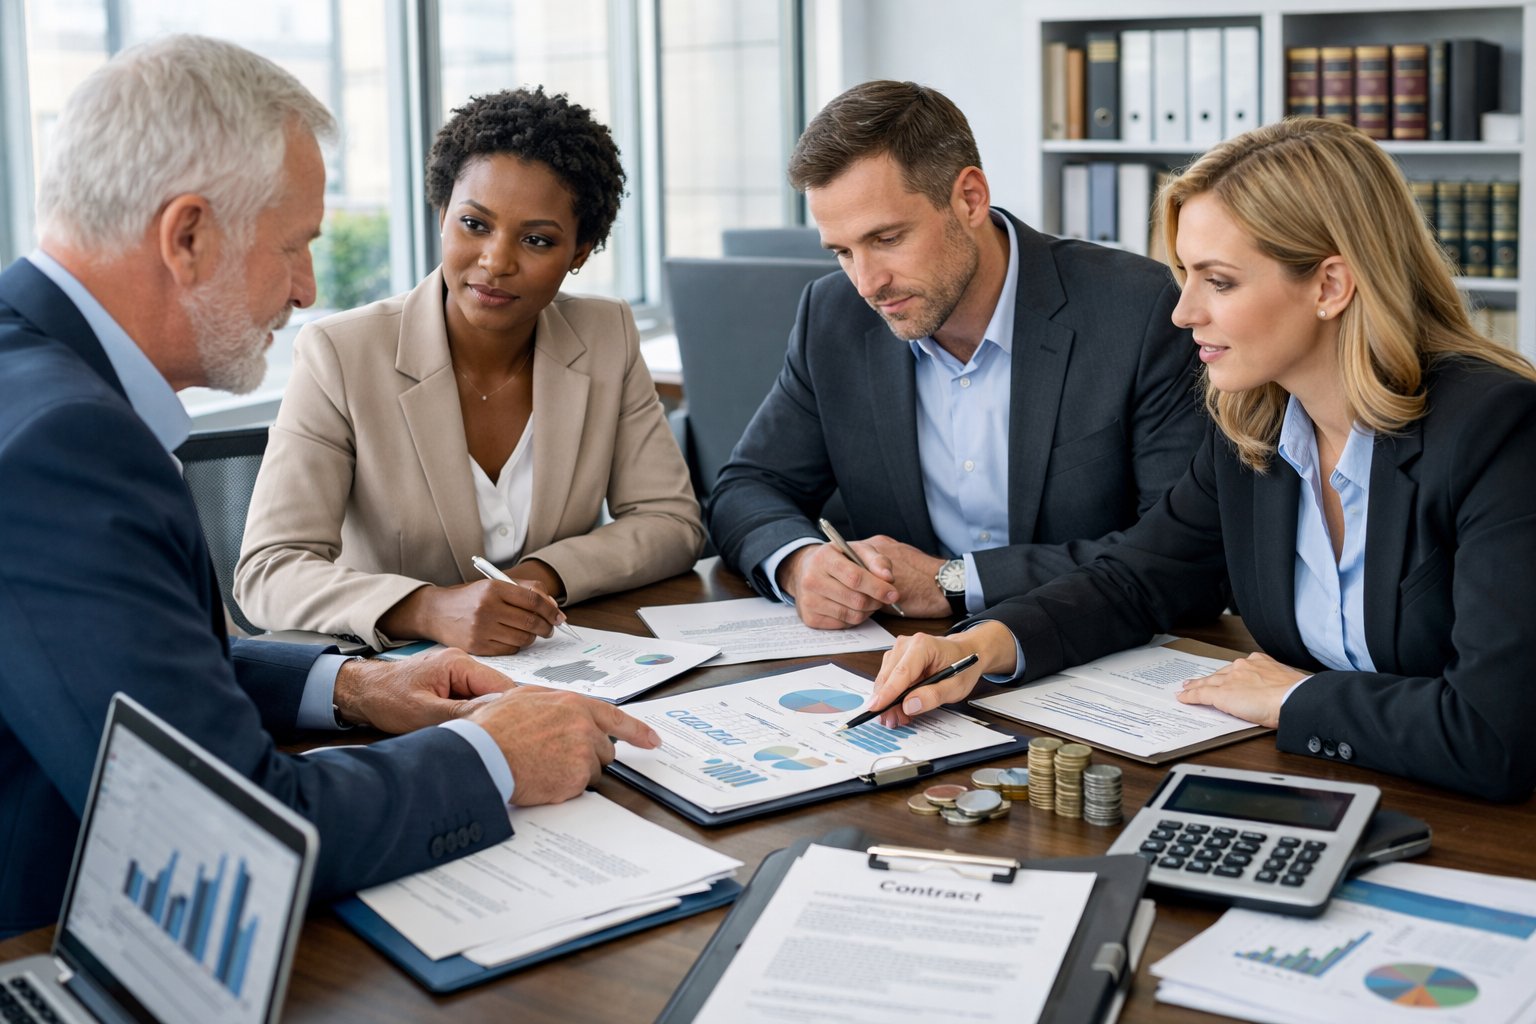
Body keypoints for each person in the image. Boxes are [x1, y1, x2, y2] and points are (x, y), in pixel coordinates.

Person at [0, 36, 659, 938]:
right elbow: (225, 833)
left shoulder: (36, 387)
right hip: (46, 936)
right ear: (188, 236)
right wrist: (490, 756)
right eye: (295, 246)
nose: (307, 289)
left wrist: (350, 686)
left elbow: (128, 673)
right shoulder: (64, 443)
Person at [866, 117, 1536, 801]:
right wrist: (977, 647)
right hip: (1327, 785)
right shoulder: (1253, 425)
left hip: (1484, 827)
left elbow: (1494, 733)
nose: (1182, 312)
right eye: (1185, 275)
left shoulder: (1498, 431)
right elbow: (1135, 578)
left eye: (1218, 281)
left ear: (1330, 286)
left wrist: (1294, 698)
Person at [706, 80, 1207, 630]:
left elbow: (1180, 556)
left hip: (1093, 645)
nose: (867, 284)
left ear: (969, 198)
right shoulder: (832, 317)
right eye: (843, 252)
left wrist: (956, 581)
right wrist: (800, 563)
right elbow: (744, 489)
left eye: (887, 239)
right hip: (902, 654)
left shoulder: (1139, 310)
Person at [235, 87, 704, 654]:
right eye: (474, 224)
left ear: (580, 251)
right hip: (398, 677)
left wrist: (536, 579)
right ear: (442, 216)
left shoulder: (606, 335)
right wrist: (429, 608)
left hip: (558, 661)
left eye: (537, 240)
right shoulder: (340, 354)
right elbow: (270, 569)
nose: (496, 261)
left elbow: (671, 522)